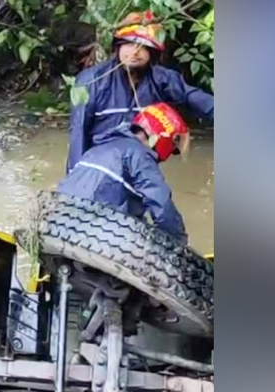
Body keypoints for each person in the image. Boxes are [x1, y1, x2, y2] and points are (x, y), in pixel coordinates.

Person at [66, 11, 213, 173]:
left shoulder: (162, 79)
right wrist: (75, 177)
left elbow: (193, 97)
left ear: (152, 53)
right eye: (129, 44)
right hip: (101, 166)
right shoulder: (91, 81)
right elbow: (78, 133)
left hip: (140, 167)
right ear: (118, 46)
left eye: (143, 47)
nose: (135, 52)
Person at [58, 103, 189, 243]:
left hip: (59, 221)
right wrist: (180, 248)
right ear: (164, 138)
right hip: (94, 232)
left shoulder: (101, 146)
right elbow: (162, 207)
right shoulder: (139, 156)